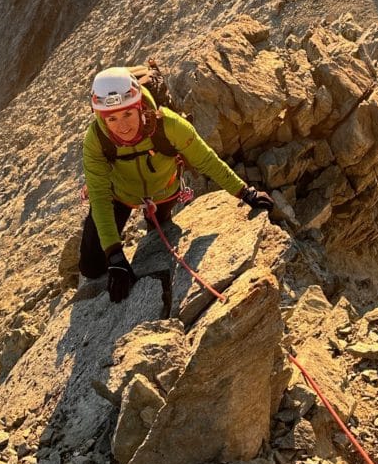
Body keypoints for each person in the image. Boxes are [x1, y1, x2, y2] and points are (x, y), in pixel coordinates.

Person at [80, 67, 273, 302]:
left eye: (127, 114)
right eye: (112, 118)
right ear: (101, 117)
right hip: (119, 195)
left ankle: (153, 223)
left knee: (158, 235)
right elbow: (99, 196)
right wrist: (115, 256)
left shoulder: (167, 124)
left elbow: (206, 160)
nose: (123, 126)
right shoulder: (95, 140)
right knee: (91, 266)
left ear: (139, 106)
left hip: (164, 190)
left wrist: (245, 192)